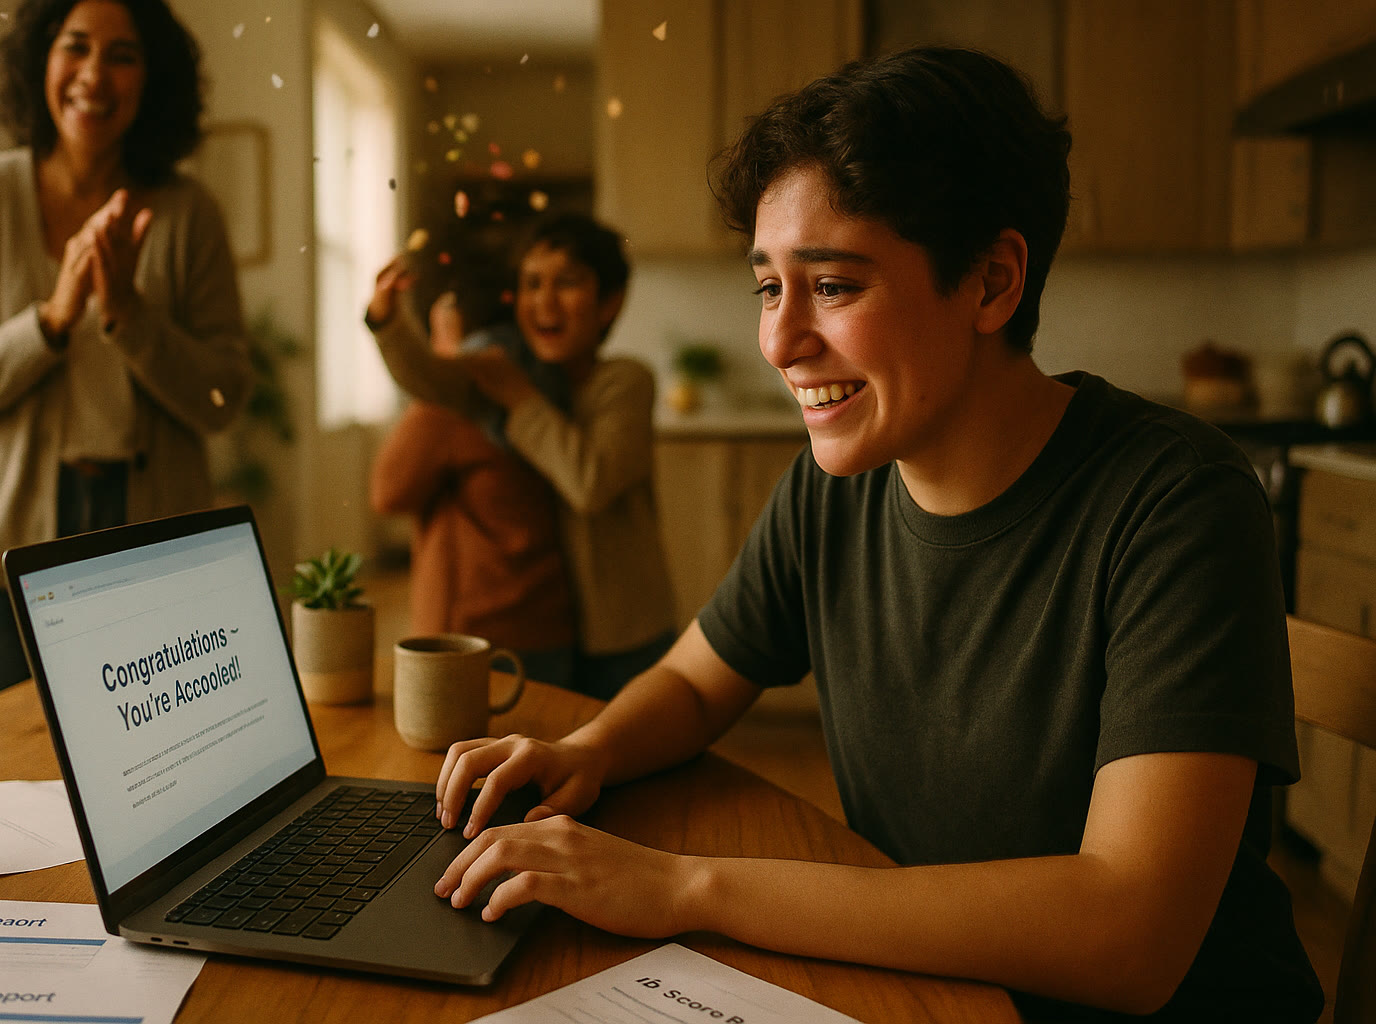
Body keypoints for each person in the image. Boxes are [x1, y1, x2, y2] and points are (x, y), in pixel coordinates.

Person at [425, 48, 1324, 1023]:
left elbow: (1131, 933)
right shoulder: (833, 490)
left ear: (991, 282)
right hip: (928, 991)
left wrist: (684, 886)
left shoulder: (1175, 502)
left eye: (836, 286)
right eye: (769, 287)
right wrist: (590, 748)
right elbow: (693, 680)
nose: (779, 341)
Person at [0, 0, 251, 711]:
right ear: (41, 61)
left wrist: (129, 314)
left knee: (154, 782)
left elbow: (225, 399)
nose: (96, 73)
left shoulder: (190, 214)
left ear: (151, 80)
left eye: (123, 55)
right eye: (77, 46)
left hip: (153, 553)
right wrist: (52, 321)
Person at [367, 214, 677, 699]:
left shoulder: (624, 382)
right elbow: (435, 380)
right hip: (560, 628)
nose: (545, 301)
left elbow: (590, 484)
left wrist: (520, 398)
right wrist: (389, 324)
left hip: (625, 633)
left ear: (609, 303)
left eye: (567, 283)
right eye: (531, 284)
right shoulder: (512, 371)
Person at [370, 262, 576, 688]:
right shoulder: (546, 376)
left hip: (475, 634)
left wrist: (443, 367)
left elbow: (386, 491)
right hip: (548, 621)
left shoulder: (459, 400)